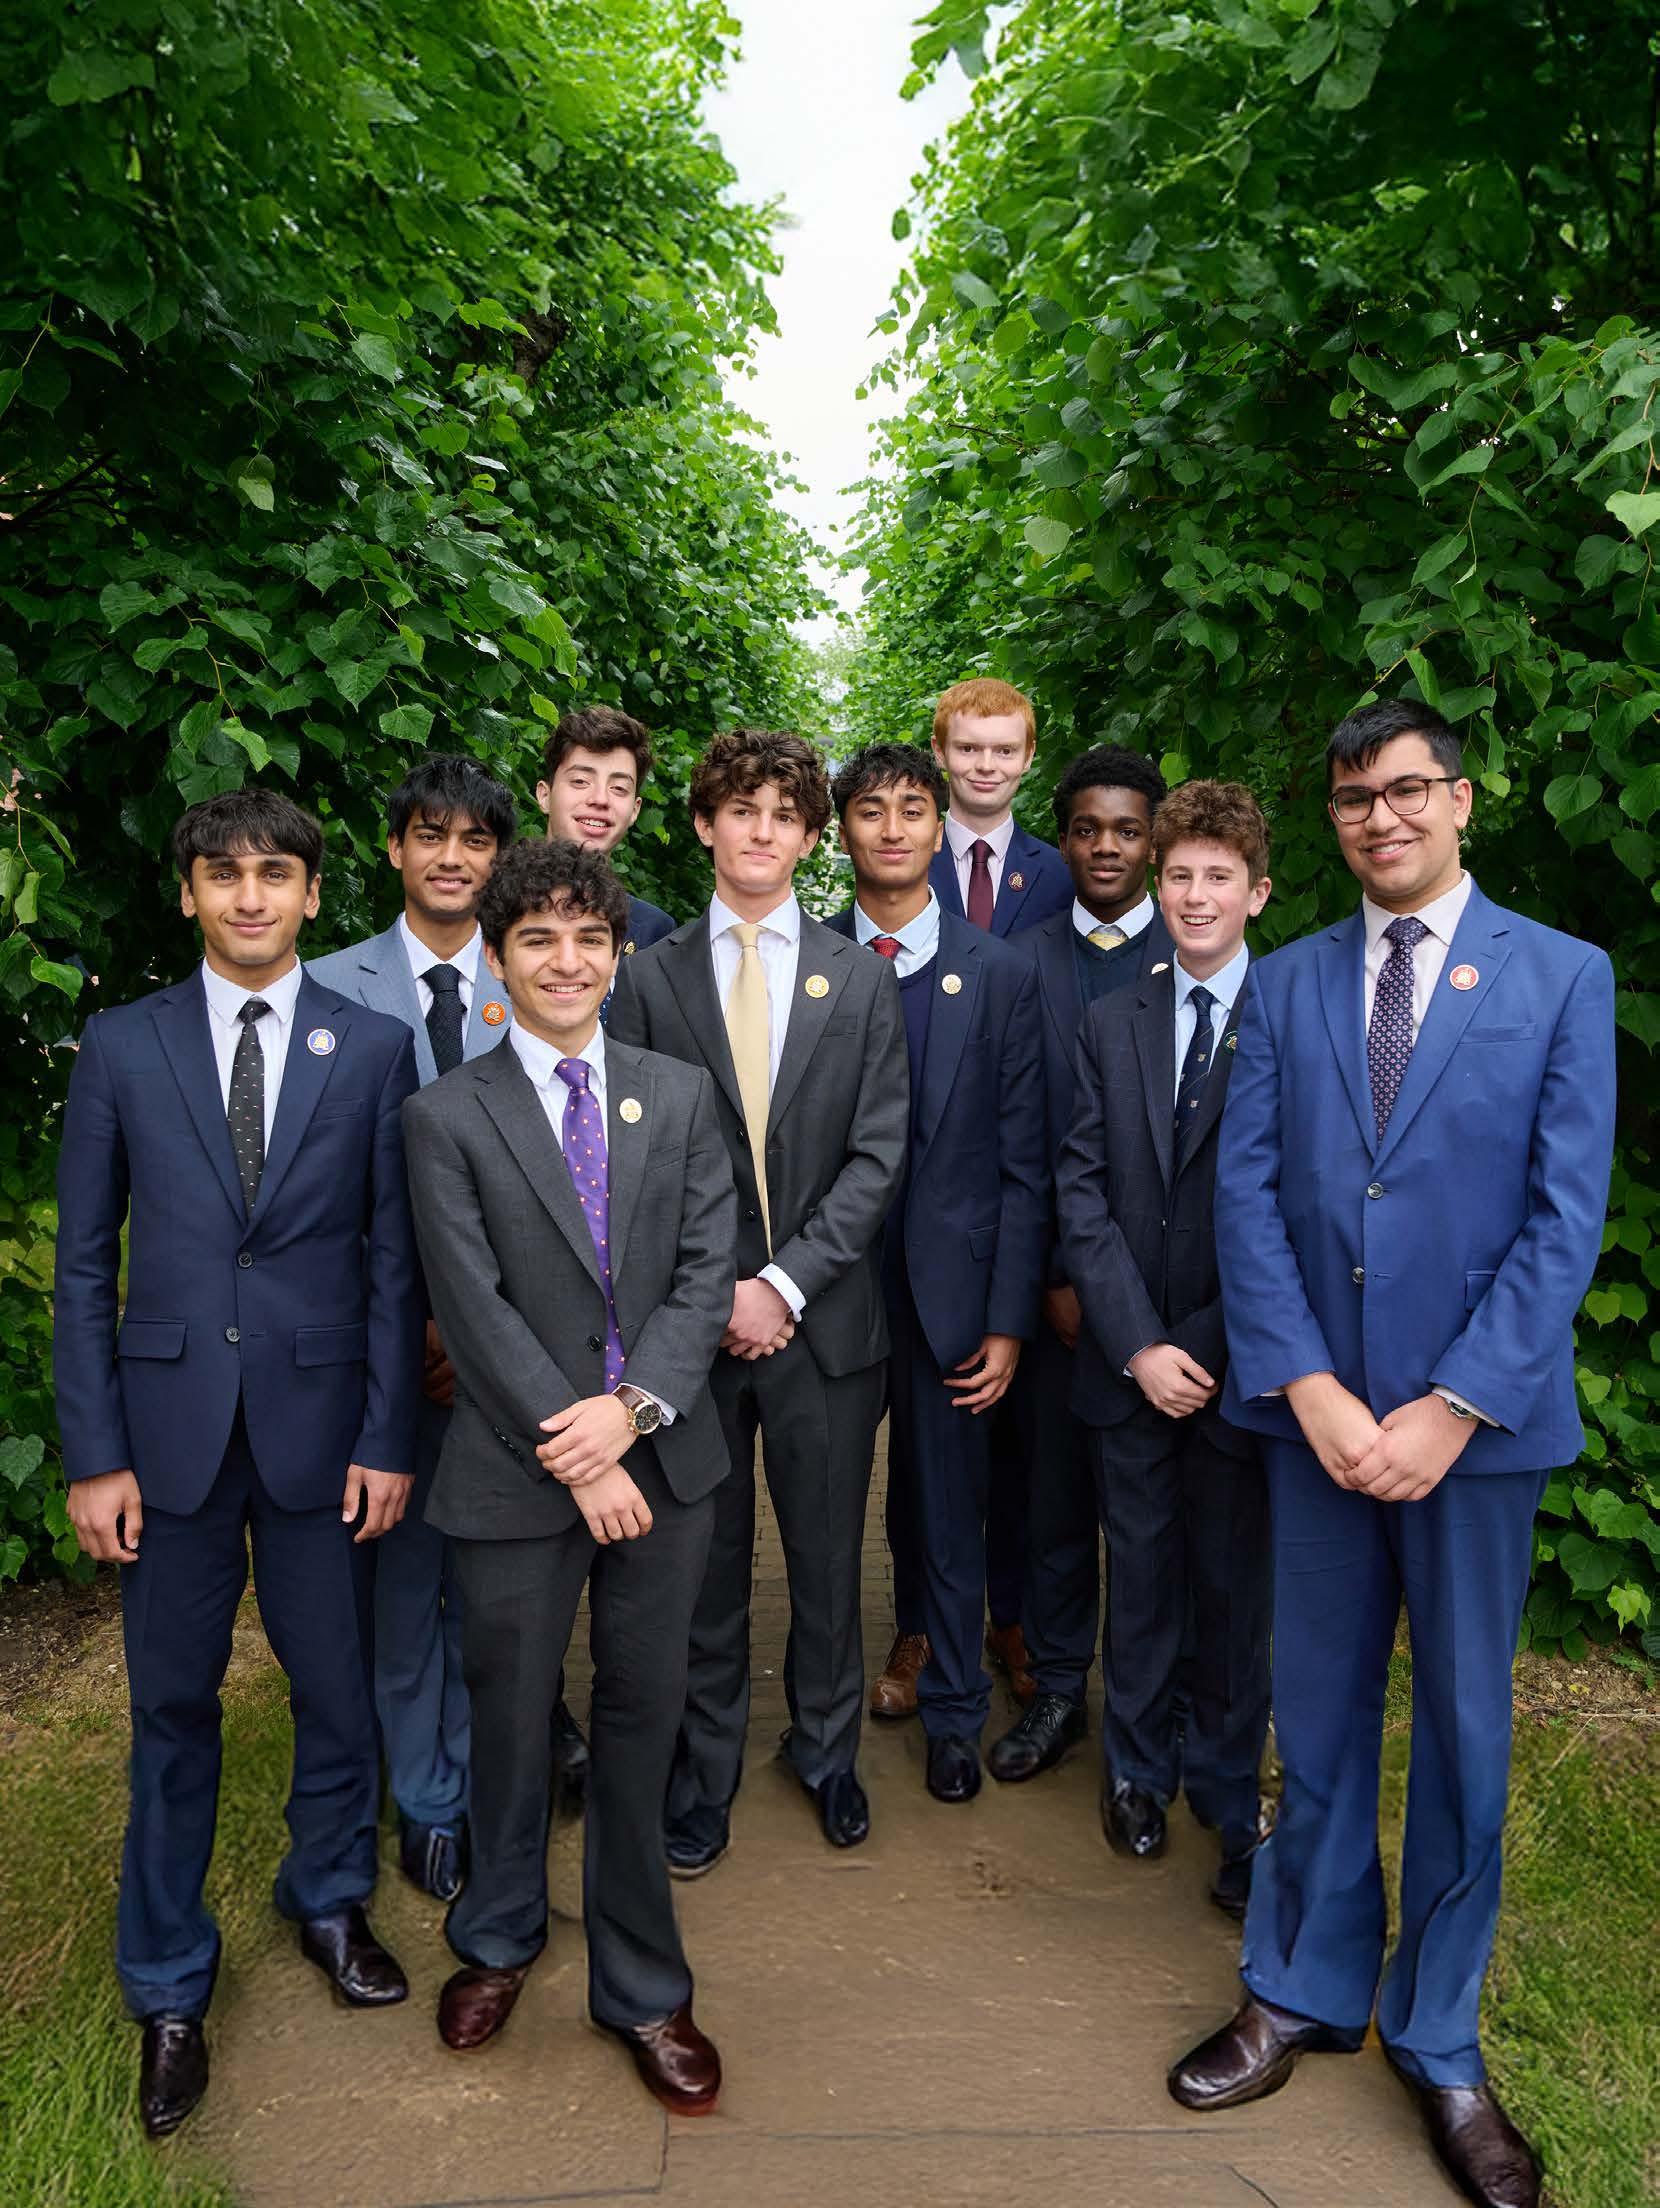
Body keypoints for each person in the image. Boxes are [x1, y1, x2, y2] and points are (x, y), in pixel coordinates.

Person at [1169, 701, 1616, 2208]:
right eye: (1355, 797)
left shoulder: (1559, 975)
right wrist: (1308, 1388)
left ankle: (1439, 2038)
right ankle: (1299, 1984)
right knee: (1316, 1716)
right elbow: (1245, 1201)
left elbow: (1563, 1220)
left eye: (1408, 789)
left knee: (1468, 1740)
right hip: (1318, 1430)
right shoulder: (1287, 982)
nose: (1383, 817)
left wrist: (1452, 1405)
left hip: (1471, 1439)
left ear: (1461, 799)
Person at [54, 790, 424, 2141]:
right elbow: (83, 1265)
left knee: (336, 1693)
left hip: (324, 1435)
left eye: (275, 873)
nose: (251, 895)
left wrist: (386, 1435)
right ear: (190, 893)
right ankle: (167, 1980)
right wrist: (96, 1454)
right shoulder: (122, 1044)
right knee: (172, 1708)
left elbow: (394, 1264)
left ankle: (327, 1900)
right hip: (168, 1441)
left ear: (314, 894)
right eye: (225, 874)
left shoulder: (373, 1046)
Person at [402, 840, 736, 2114]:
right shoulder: (446, 1116)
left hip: (664, 1461)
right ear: (496, 961)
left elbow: (705, 1272)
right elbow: (470, 1304)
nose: (566, 961)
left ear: (617, 954)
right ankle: (496, 1936)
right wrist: (578, 1445)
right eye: (537, 939)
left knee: (644, 1718)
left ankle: (642, 1984)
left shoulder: (677, 1094)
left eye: (589, 938)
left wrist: (630, 1414)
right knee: (509, 1716)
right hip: (513, 1471)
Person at [608, 728, 908, 1867]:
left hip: (823, 1325)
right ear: (703, 824)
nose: (761, 833)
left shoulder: (858, 977)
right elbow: (637, 1165)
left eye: (785, 815)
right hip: (691, 1334)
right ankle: (706, 1768)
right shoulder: (648, 980)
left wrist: (782, 1283)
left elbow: (878, 1155)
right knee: (707, 1566)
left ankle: (827, 1752)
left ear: (810, 837)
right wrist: (718, 1294)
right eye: (741, 810)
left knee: (827, 1562)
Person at [1056, 780, 1273, 1919]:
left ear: (1256, 893)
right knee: (1136, 1575)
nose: (1194, 896)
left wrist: (1210, 1343)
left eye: (1217, 878)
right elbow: (1080, 1193)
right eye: (1179, 874)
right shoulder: (1112, 1019)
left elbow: (1297, 1205)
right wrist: (1139, 1344)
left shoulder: (1291, 1014)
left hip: (1244, 1363)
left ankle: (1232, 1800)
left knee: (1233, 1591)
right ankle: (1136, 1771)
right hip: (1129, 1359)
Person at [309, 754, 520, 1905]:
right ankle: (427, 1804)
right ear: (393, 849)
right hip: (380, 1348)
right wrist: (412, 1327)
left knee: (496, 1587)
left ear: (500, 857)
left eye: (475, 839)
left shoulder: (540, 975)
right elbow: (313, 1191)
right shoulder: (326, 987)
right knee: (402, 1588)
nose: (450, 857)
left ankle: (491, 1778)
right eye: (429, 835)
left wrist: (479, 1327)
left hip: (507, 1347)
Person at [828, 744, 1047, 1800]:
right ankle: (820, 1726)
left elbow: (1024, 1161)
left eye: (911, 809)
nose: (892, 829)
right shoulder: (806, 959)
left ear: (937, 826)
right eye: (870, 811)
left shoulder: (999, 973)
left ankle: (955, 1713)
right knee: (824, 1514)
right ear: (841, 832)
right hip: (825, 1285)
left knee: (951, 1505)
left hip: (952, 1292)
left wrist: (1008, 1316)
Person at [986, 747, 1172, 1780]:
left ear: (1154, 842)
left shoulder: (1200, 950)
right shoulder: (1019, 963)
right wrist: (1054, 1276)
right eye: (1088, 829)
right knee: (1053, 1506)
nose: (1107, 847)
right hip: (1059, 1294)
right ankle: (1059, 1688)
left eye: (1128, 830)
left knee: (1157, 1525)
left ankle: (1160, 1708)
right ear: (1061, 842)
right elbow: (1012, 1133)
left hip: (1176, 1302)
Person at [536, 704, 676, 952]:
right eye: (580, 781)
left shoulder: (655, 933)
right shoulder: (488, 908)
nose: (600, 799)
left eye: (619, 788)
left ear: (635, 810)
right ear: (545, 795)